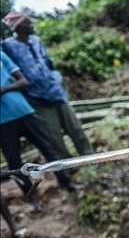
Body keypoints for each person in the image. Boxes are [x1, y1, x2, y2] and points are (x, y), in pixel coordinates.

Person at [2, 12, 94, 159]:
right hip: (36, 98)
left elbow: (47, 62)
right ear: (19, 27)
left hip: (55, 91)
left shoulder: (36, 41)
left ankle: (89, 158)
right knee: (53, 135)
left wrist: (55, 77)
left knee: (75, 128)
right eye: (28, 23)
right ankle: (69, 165)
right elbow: (10, 71)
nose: (32, 25)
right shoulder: (8, 46)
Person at [1, 50, 77, 212]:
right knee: (14, 163)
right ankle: (33, 198)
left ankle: (66, 183)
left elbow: (23, 82)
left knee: (48, 147)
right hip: (2, 122)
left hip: (23, 111)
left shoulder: (1, 55)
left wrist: (2, 90)